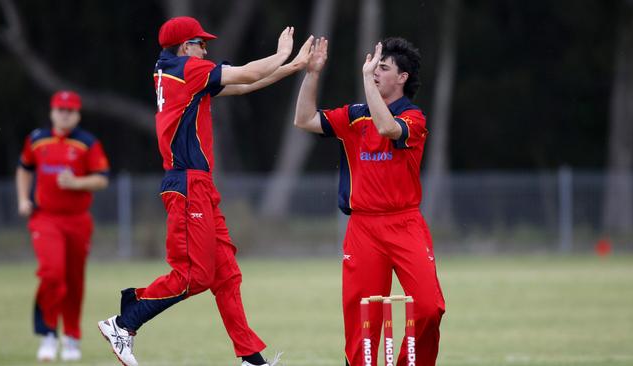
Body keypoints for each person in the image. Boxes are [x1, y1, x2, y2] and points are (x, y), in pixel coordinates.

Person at [97, 16, 313, 366]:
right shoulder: (186, 70)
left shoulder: (177, 71)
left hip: (198, 184)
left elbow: (242, 86)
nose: (206, 49)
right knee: (192, 276)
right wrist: (281, 54)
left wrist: (294, 66)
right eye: (200, 43)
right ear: (185, 47)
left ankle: (251, 360)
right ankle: (124, 323)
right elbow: (244, 73)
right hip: (186, 185)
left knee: (226, 273)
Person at [293, 37, 446, 366]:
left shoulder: (414, 118)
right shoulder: (353, 116)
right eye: (373, 67)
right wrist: (313, 73)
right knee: (362, 320)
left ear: (402, 78)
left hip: (405, 224)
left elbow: (387, 127)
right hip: (363, 228)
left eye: (383, 68)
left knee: (430, 308)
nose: (375, 71)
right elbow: (303, 119)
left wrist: (365, 80)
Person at [16, 90, 110, 362]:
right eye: (60, 109)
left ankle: (71, 338)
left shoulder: (87, 143)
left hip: (78, 220)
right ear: (52, 112)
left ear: (77, 114)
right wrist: (23, 199)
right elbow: (24, 168)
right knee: (52, 274)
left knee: (73, 280)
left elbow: (102, 179)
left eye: (70, 110)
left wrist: (77, 183)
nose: (64, 114)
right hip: (45, 218)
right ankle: (48, 334)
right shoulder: (36, 139)